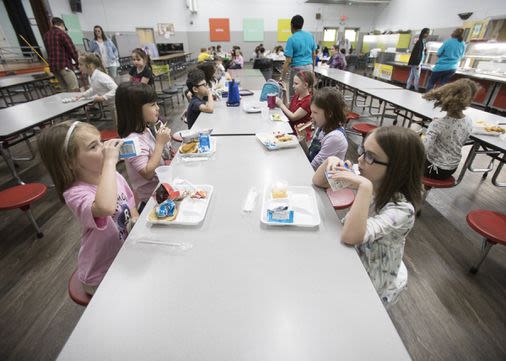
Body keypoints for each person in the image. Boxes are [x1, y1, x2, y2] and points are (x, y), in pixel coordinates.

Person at [313, 126, 425, 305]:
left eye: (370, 156)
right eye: (363, 151)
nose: (360, 159)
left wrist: (364, 187)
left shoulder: (403, 209)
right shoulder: (370, 174)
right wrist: (330, 162)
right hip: (351, 253)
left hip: (374, 274)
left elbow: (351, 237)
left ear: (397, 168)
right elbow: (318, 181)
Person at [38, 121, 138, 295]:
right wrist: (109, 163)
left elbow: (131, 205)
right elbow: (106, 207)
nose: (104, 148)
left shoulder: (112, 176)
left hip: (124, 254)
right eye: (93, 146)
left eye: (101, 141)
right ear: (70, 162)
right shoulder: (75, 193)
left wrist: (135, 221)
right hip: (100, 274)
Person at [116, 83, 172, 205]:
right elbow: (148, 173)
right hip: (151, 199)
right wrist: (160, 143)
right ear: (135, 110)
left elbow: (157, 155)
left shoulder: (146, 128)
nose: (157, 108)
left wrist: (166, 148)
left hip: (162, 188)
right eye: (152, 105)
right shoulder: (129, 142)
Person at [422, 78, 478, 179]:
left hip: (435, 168)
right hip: (452, 168)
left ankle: (418, 190)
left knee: (407, 161)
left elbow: (424, 148)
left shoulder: (437, 124)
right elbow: (457, 135)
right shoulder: (468, 121)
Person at [308, 87, 348, 170]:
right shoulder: (322, 127)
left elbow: (313, 167)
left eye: (315, 112)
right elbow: (309, 155)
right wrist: (302, 138)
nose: (311, 116)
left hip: (323, 180)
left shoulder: (335, 138)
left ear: (329, 113)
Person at [75, 53, 118, 123]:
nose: (79, 67)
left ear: (90, 65)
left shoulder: (101, 76)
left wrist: (103, 97)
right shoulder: (90, 76)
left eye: (81, 64)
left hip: (118, 104)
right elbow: (94, 88)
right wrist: (83, 95)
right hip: (112, 105)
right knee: (117, 125)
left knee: (120, 125)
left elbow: (116, 89)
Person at [281, 15, 317, 98]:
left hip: (297, 69)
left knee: (294, 95)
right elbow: (314, 55)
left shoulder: (292, 39)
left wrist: (282, 78)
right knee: (308, 94)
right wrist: (313, 70)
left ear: (292, 25)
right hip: (309, 68)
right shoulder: (310, 36)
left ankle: (294, 110)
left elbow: (288, 61)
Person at [43, 17, 79, 91]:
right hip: (64, 65)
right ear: (62, 25)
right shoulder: (62, 34)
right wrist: (79, 62)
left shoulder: (46, 35)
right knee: (74, 89)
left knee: (64, 90)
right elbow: (71, 50)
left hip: (54, 67)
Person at [276, 70, 314, 140]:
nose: (293, 86)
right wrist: (285, 94)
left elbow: (293, 117)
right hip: (290, 130)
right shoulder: (297, 95)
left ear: (305, 85)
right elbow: (288, 108)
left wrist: (281, 105)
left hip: (299, 135)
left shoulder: (308, 101)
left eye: (296, 84)